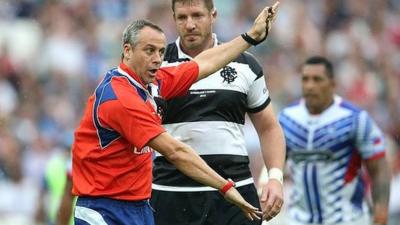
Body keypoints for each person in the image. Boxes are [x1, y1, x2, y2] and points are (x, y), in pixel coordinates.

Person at [71, 2, 279, 225]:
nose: (157, 59)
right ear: (127, 50)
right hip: (106, 209)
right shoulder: (121, 98)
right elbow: (175, 151)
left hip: (138, 205)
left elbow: (204, 64)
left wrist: (251, 37)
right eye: (149, 50)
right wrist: (226, 187)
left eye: (160, 51)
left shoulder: (153, 82)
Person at [151, 0, 285, 224]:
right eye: (182, 17)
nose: (190, 24)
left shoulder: (245, 65)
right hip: (171, 193)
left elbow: (269, 127)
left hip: (236, 195)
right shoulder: (156, 65)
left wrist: (275, 178)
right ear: (173, 18)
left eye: (197, 15)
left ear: (213, 15)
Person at [278, 56, 391, 225]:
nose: (310, 86)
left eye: (317, 80)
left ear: (332, 84)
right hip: (298, 219)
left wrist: (381, 212)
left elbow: (379, 169)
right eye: (305, 79)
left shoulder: (354, 119)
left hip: (346, 219)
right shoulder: (287, 119)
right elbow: (274, 165)